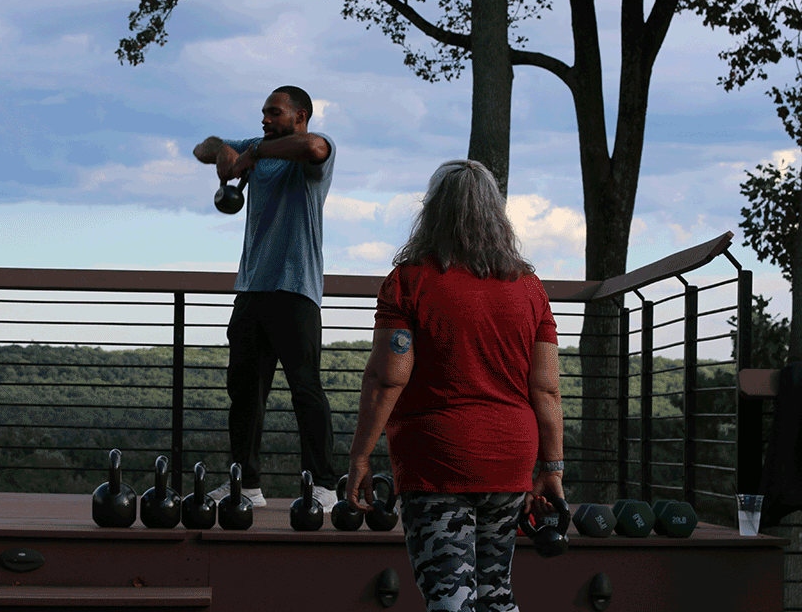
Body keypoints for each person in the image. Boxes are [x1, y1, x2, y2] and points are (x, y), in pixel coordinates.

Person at [346, 159, 563, 612]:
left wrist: (360, 456)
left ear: (431, 211)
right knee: (495, 593)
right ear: (497, 215)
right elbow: (546, 390)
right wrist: (553, 469)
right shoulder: (530, 288)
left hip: (436, 462)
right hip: (509, 459)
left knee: (451, 600)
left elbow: (388, 378)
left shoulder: (408, 281)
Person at [194, 86, 339, 511]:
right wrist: (223, 151)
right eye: (263, 113)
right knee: (244, 393)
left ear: (300, 116)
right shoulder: (254, 144)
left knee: (305, 391)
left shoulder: (313, 151)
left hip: (296, 290)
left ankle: (325, 486)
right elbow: (202, 147)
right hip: (252, 289)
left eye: (274, 113)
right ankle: (246, 485)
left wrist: (253, 153)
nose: (265, 119)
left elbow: (312, 147)